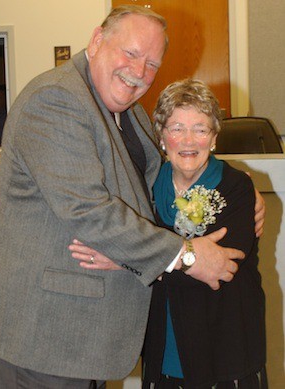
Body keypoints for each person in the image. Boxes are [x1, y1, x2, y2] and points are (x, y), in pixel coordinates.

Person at [0, 5, 263, 389]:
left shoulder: (124, 109)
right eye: (131, 53)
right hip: (47, 335)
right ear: (97, 41)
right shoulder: (55, 101)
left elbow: (155, 178)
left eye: (152, 63)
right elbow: (89, 212)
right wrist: (187, 256)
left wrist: (231, 183)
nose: (139, 72)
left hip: (89, 336)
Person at [71, 79, 267, 389]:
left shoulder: (237, 188)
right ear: (161, 136)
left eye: (200, 129)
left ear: (214, 138)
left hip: (223, 350)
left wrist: (127, 261)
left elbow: (221, 268)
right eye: (177, 128)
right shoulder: (144, 187)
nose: (189, 141)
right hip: (163, 348)